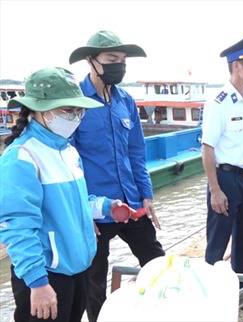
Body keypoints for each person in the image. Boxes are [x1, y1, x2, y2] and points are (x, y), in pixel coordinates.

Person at [0, 67, 121, 322]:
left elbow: (74, 205)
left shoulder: (68, 151)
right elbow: (17, 227)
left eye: (78, 110)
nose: (75, 117)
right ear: (38, 109)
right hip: (47, 277)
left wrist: (106, 207)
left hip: (78, 269)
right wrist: (37, 282)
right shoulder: (23, 156)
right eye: (66, 110)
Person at [68, 30, 165, 322]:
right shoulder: (76, 103)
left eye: (122, 60)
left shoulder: (126, 101)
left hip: (132, 204)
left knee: (157, 263)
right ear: (91, 60)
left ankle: (162, 312)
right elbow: (69, 163)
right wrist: (83, 210)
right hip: (96, 210)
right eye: (112, 59)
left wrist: (146, 196)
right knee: (93, 282)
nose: (118, 65)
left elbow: (136, 152)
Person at [201, 32, 243, 287]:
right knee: (218, 240)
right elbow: (207, 149)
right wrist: (215, 190)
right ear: (236, 66)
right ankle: (210, 288)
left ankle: (241, 284)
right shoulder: (219, 103)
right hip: (226, 178)